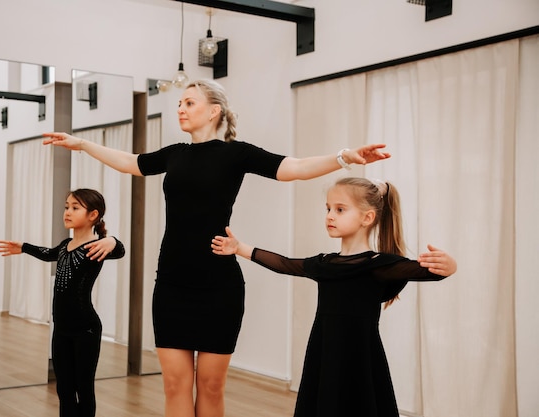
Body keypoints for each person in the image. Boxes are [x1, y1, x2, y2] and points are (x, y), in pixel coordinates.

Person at [41, 79, 391, 417]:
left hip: (218, 287)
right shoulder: (174, 155)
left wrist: (345, 156)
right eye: (179, 103)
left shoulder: (237, 154)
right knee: (175, 385)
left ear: (214, 112)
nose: (181, 108)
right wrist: (83, 145)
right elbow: (132, 162)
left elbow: (294, 168)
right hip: (172, 285)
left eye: (189, 103)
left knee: (210, 386)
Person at [211, 177, 457, 417]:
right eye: (328, 208)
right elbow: (285, 264)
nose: (330, 215)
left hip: (360, 353)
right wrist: (240, 248)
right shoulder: (325, 263)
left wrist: (450, 266)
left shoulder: (379, 265)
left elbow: (430, 272)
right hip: (324, 348)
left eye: (340, 209)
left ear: (367, 217)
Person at [0, 188, 125, 417]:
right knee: (64, 389)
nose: (67, 212)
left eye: (75, 207)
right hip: (62, 329)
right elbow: (48, 253)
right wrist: (23, 247)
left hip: (86, 329)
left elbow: (120, 251)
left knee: (83, 388)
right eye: (67, 206)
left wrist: (112, 241)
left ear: (93, 215)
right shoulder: (66, 245)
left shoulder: (96, 247)